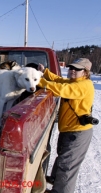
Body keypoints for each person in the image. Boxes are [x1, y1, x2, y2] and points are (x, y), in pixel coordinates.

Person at [37, 58, 95, 193]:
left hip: (78, 132)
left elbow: (62, 89)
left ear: (85, 72)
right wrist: (45, 72)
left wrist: (37, 81)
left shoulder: (84, 85)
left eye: (77, 69)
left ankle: (61, 190)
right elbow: (59, 80)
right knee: (63, 158)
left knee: (67, 166)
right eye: (71, 68)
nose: (72, 70)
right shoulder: (75, 82)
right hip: (69, 130)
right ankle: (55, 180)